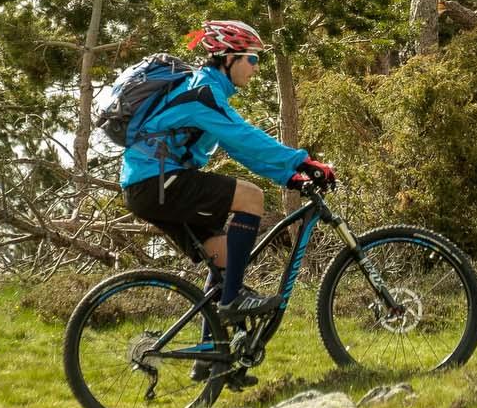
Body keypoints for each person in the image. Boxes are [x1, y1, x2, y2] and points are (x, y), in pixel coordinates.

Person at [120, 20, 336, 325]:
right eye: (252, 58)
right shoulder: (202, 93)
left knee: (223, 259)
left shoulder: (207, 93)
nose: (256, 68)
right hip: (157, 181)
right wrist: (303, 161)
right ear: (228, 57)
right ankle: (234, 298)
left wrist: (289, 177)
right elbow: (245, 136)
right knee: (251, 197)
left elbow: (238, 149)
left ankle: (212, 361)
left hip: (147, 187)